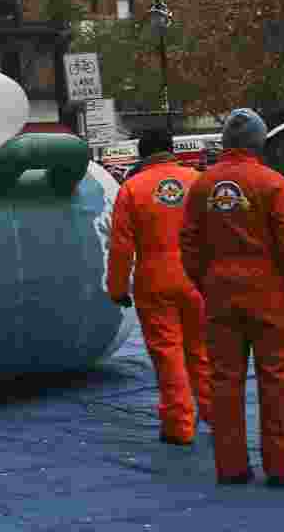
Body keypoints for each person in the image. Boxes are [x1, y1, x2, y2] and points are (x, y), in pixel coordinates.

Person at [180, 108, 284, 489]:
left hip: (220, 292)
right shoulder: (272, 183)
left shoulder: (203, 185)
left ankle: (231, 466)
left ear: (225, 142)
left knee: (224, 380)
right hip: (269, 292)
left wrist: (208, 282)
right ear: (260, 141)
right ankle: (279, 466)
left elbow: (188, 243)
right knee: (278, 380)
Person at [107, 128, 212, 445]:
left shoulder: (132, 188)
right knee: (203, 351)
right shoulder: (198, 181)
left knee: (168, 354)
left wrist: (117, 288)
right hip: (199, 277)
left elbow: (122, 246)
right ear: (171, 150)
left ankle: (179, 425)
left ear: (142, 154)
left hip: (155, 276)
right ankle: (218, 414)